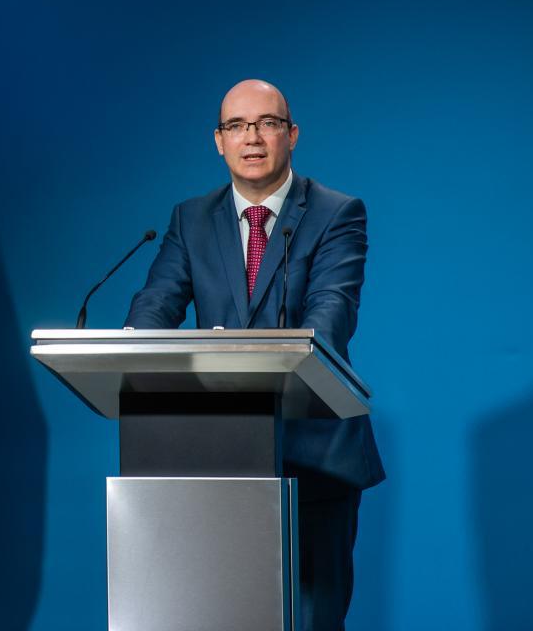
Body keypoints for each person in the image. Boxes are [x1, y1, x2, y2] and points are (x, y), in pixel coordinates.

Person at [125, 78, 385, 631]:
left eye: (267, 123)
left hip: (314, 455)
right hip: (215, 458)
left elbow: (331, 316)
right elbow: (156, 304)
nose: (253, 138)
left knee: (313, 620)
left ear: (292, 134)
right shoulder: (190, 219)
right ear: (218, 140)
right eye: (237, 126)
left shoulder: (337, 212)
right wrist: (134, 345)